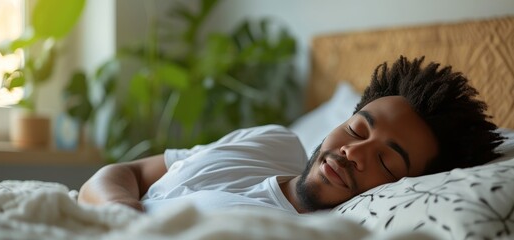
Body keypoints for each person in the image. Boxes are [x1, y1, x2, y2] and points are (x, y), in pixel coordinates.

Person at [78, 56, 504, 214]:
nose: (353, 151)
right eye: (357, 129)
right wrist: (120, 211)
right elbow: (126, 171)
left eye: (388, 161)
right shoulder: (271, 142)